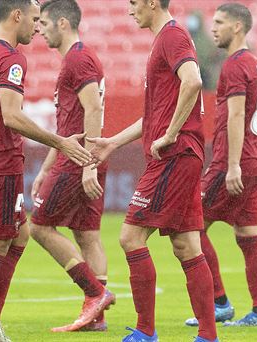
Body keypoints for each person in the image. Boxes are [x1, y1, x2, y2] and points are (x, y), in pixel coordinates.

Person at [0, 1, 104, 341]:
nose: (36, 26)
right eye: (33, 19)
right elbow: (11, 116)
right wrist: (60, 142)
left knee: (18, 233)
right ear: (16, 15)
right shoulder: (11, 59)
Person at [87, 1, 218, 341]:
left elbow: (193, 81)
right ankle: (208, 335)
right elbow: (158, 112)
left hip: (175, 153)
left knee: (130, 237)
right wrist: (114, 142)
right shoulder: (166, 39)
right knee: (187, 245)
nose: (130, 10)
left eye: (133, 3)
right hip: (184, 152)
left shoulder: (172, 37)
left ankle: (145, 331)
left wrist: (172, 133)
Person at [184, 3, 257, 328]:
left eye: (220, 22)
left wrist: (231, 164)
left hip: (231, 161)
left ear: (237, 27)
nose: (214, 28)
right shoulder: (256, 65)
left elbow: (236, 114)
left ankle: (219, 303)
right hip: (254, 158)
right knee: (248, 235)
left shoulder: (235, 66)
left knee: (190, 226)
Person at [31, 0, 114, 333]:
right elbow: (69, 126)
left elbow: (93, 108)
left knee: (38, 227)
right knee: (87, 235)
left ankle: (95, 294)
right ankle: (98, 317)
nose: (40, 29)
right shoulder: (80, 58)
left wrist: (88, 163)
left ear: (63, 23)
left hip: (79, 159)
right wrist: (44, 169)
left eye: (45, 24)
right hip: (80, 155)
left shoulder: (77, 59)